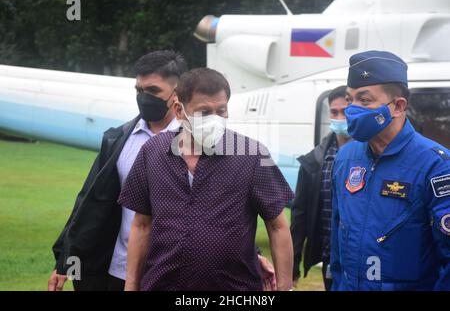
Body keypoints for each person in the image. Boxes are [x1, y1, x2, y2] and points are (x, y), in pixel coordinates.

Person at [48, 51, 277, 291]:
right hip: (121, 269)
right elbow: (91, 201)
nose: (144, 98)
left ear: (177, 94)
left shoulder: (210, 138)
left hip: (176, 275)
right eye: (139, 91)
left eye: (153, 91)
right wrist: (66, 256)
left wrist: (253, 254)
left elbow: (227, 207)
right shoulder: (119, 140)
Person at [119, 68, 294, 291]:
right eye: (204, 113)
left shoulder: (253, 155)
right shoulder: (152, 152)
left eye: (221, 111)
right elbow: (141, 225)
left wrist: (285, 287)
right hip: (162, 284)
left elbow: (278, 227)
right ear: (179, 110)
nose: (214, 120)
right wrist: (131, 286)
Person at [330, 50, 450, 290]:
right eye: (349, 99)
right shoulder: (345, 158)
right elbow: (337, 242)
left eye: (364, 100)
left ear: (398, 106)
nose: (352, 109)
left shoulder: (435, 166)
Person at [291, 85, 351, 291]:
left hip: (364, 257)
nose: (340, 117)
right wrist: (293, 266)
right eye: (334, 112)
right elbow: (299, 215)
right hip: (330, 258)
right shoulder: (316, 160)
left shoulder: (373, 154)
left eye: (346, 111)